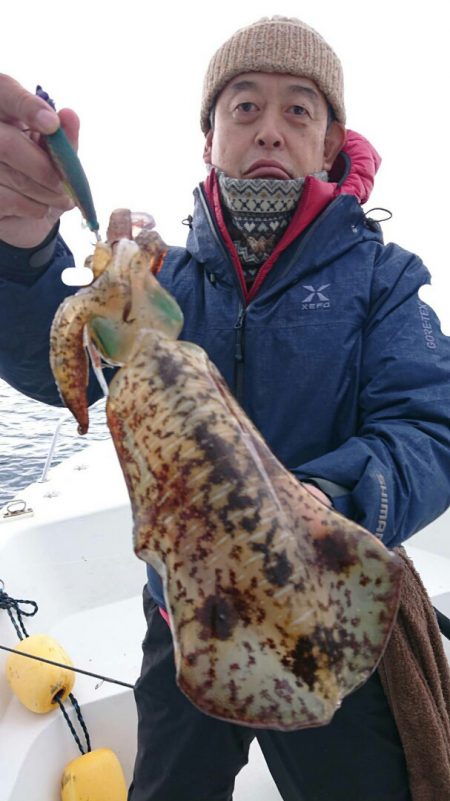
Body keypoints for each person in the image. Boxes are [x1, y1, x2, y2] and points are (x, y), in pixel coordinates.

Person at [1, 15, 450, 801]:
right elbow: (58, 361)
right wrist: (23, 247)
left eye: (298, 109)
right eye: (244, 106)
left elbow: (429, 427)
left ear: (329, 142)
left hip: (317, 615)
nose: (269, 128)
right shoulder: (162, 283)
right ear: (208, 139)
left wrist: (320, 505)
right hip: (184, 618)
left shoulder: (383, 280)